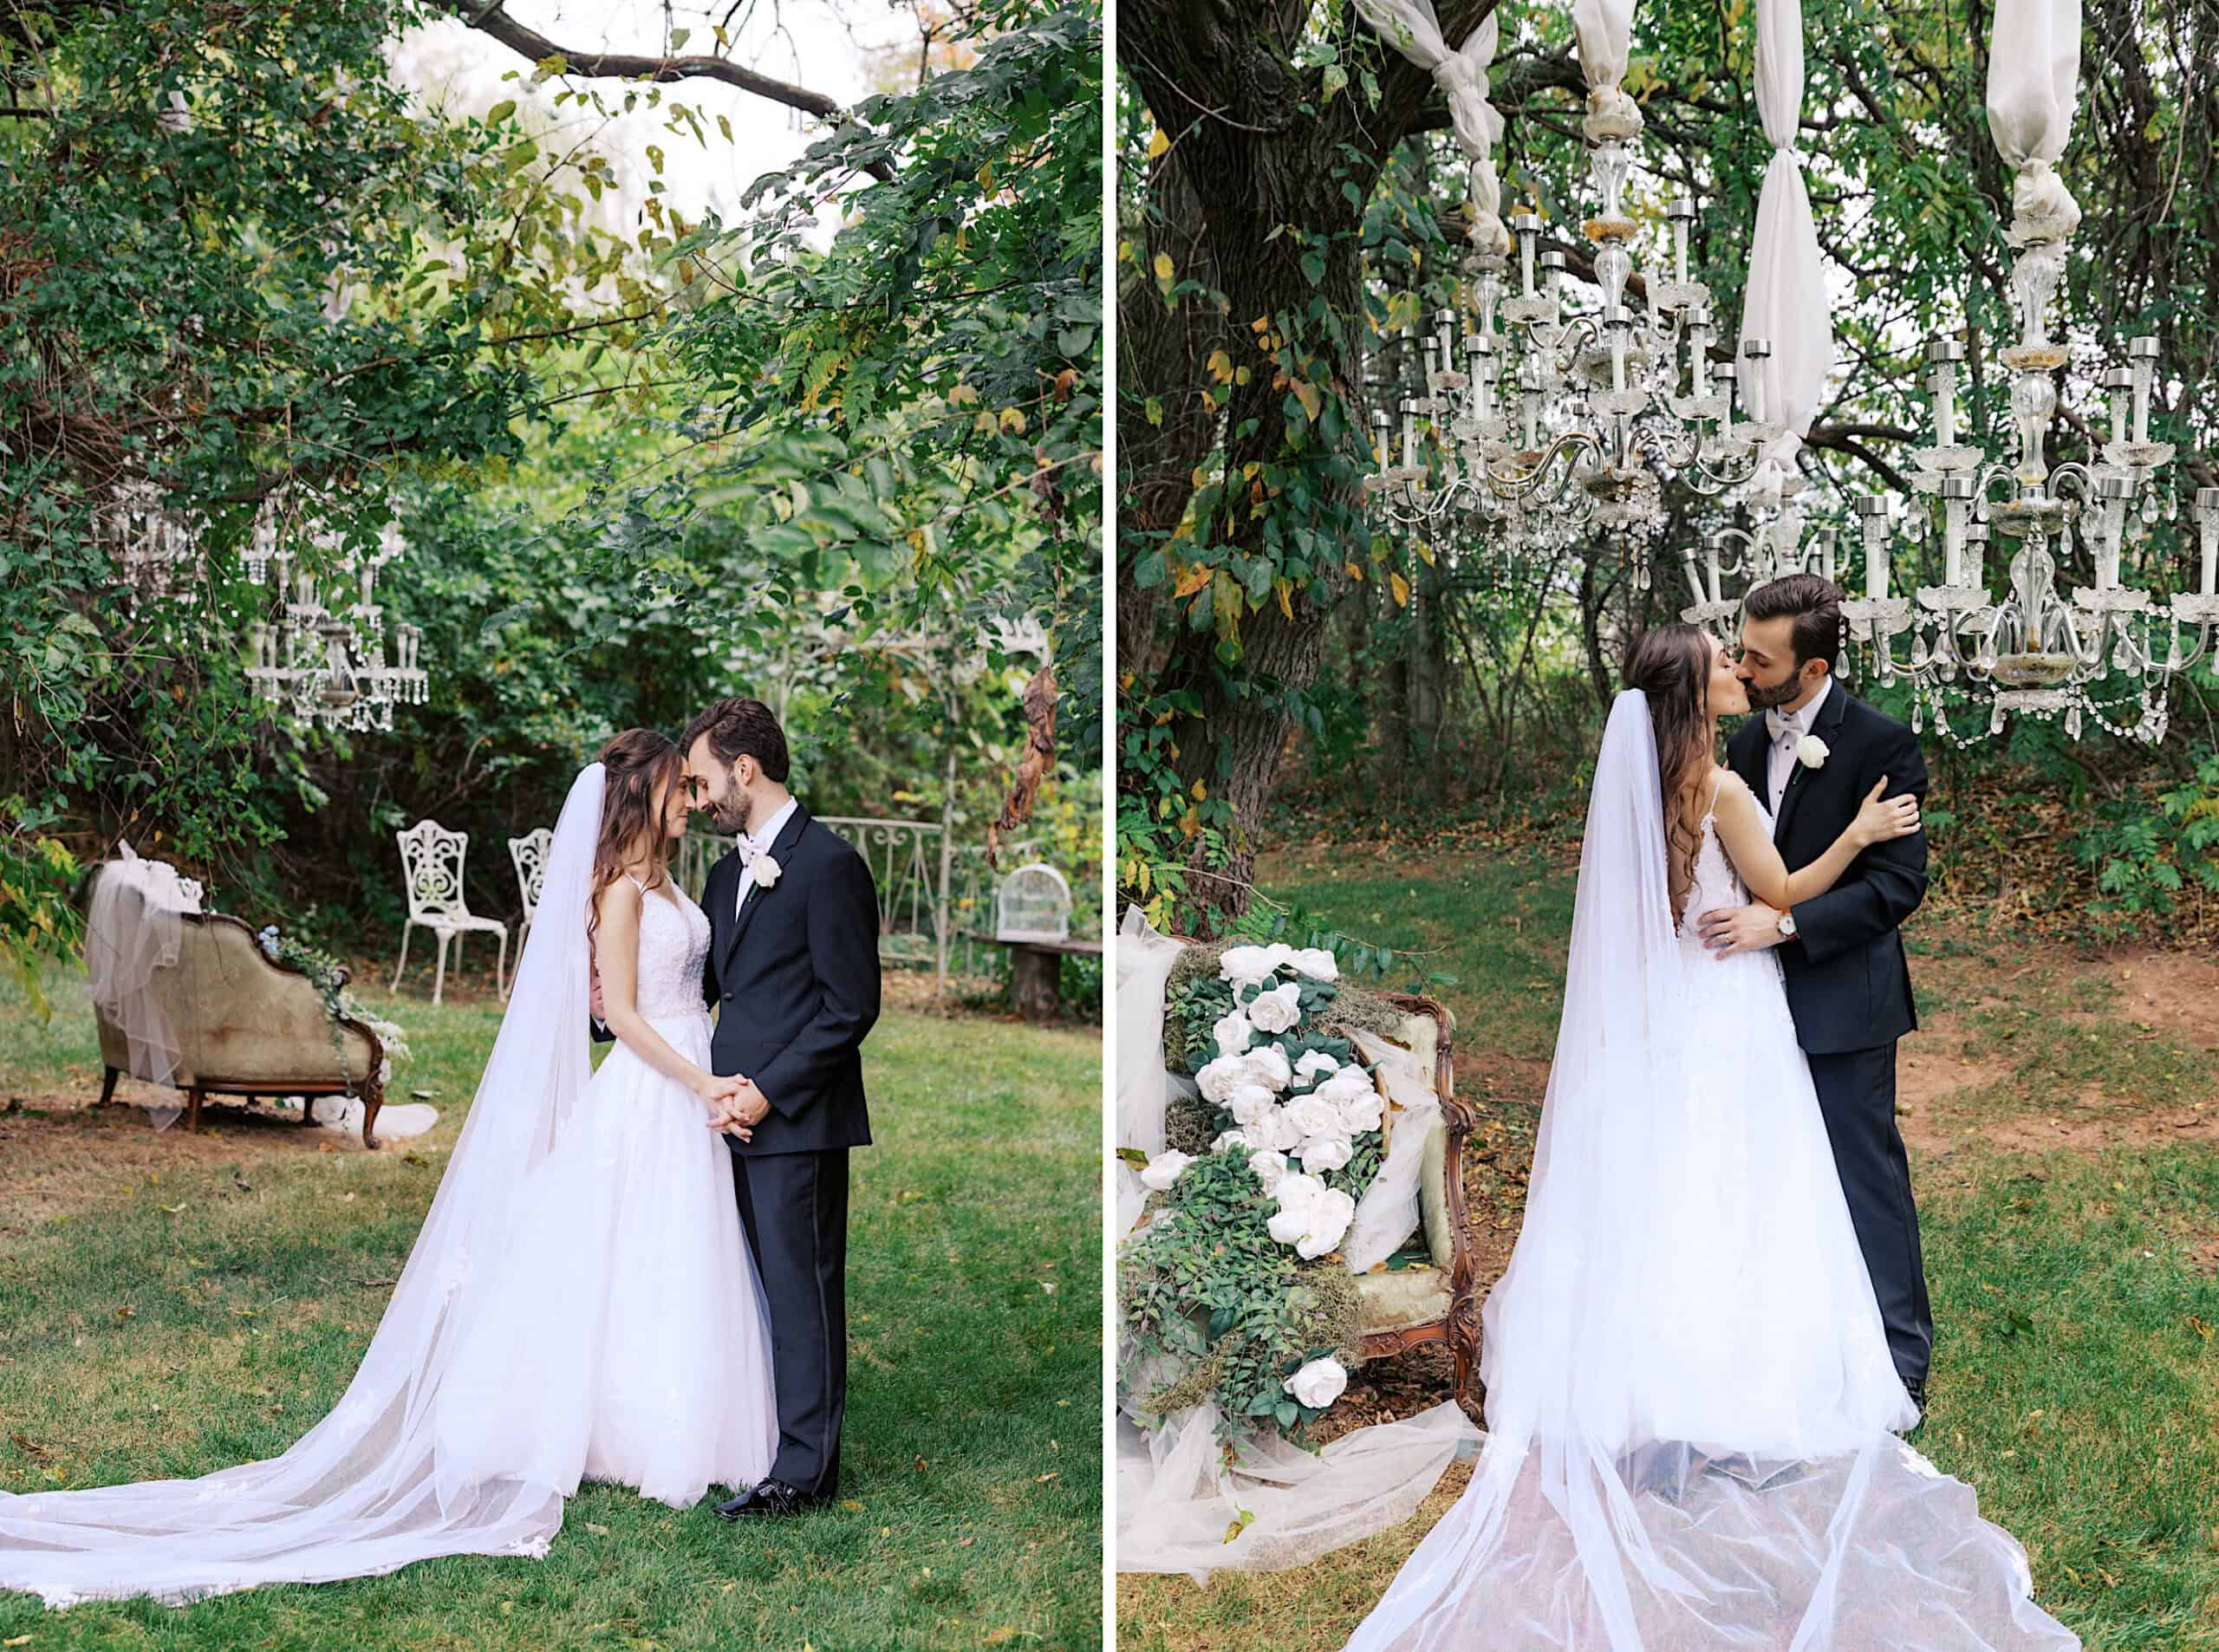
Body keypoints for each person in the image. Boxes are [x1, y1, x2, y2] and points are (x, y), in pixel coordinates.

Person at [1337, 627, 2077, 1652]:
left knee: (1661, 1187)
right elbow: (1780, 893)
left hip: (1659, 1018)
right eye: (1722, 664)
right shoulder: (1722, 787)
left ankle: (1643, 1365)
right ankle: (1729, 1369)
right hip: (1727, 1012)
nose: (1738, 669)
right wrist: (1859, 834)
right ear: (1695, 693)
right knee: (1738, 1186)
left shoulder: (1641, 787)